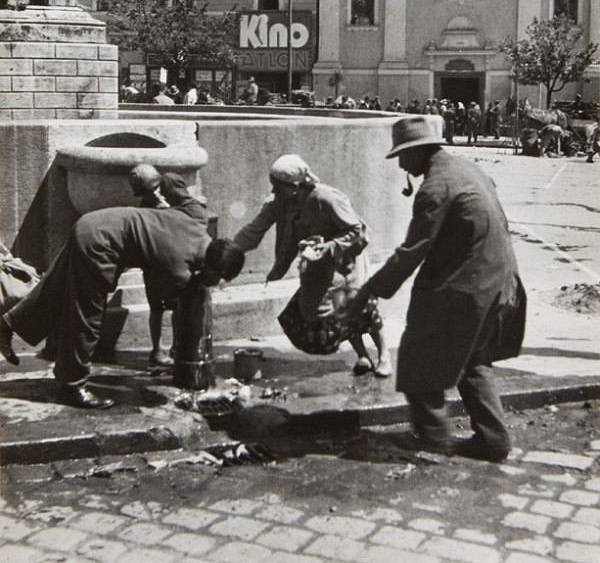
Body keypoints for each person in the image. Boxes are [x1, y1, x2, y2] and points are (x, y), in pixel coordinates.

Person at [350, 116, 526, 461]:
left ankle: (430, 435)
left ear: (418, 151)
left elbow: (413, 250)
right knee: (473, 358)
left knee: (418, 351)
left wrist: (369, 288)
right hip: (501, 278)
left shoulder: (435, 187)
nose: (400, 163)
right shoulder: (466, 168)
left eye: (402, 155)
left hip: (471, 285)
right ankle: (494, 440)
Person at [0, 184, 244, 409]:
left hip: (94, 222)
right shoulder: (178, 269)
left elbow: (170, 180)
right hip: (100, 245)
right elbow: (161, 295)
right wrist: (196, 284)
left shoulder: (197, 216)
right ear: (214, 269)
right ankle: (72, 388)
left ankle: (7, 324)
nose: (219, 285)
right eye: (222, 279)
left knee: (55, 287)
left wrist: (156, 195)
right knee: (88, 317)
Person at [233, 154, 392, 377]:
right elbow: (254, 230)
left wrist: (329, 247)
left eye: (278, 187)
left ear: (297, 186)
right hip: (319, 267)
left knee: (361, 308)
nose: (274, 192)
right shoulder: (279, 203)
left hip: (346, 261)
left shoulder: (326, 199)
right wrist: (231, 249)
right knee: (338, 313)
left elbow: (357, 230)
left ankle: (384, 356)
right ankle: (363, 356)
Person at [129, 164, 200, 367]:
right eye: (147, 192)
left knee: (177, 305)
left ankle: (177, 346)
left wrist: (169, 210)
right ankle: (157, 349)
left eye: (155, 188)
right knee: (156, 308)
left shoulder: (173, 197)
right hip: (153, 263)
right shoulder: (144, 208)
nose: (153, 194)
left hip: (174, 258)